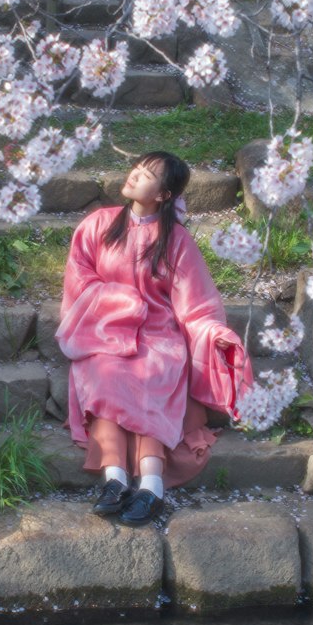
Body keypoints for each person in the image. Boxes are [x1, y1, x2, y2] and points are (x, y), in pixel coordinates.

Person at [55, 151, 253, 526]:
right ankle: (114, 480)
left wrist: (215, 335)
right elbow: (79, 277)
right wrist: (122, 302)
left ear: (164, 195)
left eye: (147, 174)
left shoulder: (175, 240)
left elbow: (194, 304)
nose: (134, 175)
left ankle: (151, 486)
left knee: (153, 375)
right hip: (104, 329)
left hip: (159, 333)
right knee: (106, 374)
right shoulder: (99, 224)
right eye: (137, 168)